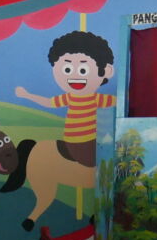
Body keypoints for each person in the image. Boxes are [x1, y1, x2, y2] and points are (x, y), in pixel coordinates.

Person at [14, 30, 116, 167]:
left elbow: (118, 102)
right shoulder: (69, 98)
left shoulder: (97, 99)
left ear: (107, 71)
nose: (75, 76)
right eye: (67, 69)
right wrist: (27, 95)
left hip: (91, 140)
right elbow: (49, 102)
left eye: (83, 70)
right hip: (78, 143)